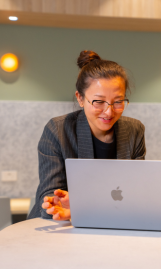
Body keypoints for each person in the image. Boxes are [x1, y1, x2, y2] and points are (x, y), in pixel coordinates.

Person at [28, 50, 146, 220]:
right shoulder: (57, 130)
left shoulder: (135, 130)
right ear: (80, 98)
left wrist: (83, 207)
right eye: (98, 102)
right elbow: (49, 196)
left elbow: (136, 191)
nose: (109, 111)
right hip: (61, 228)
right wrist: (62, 206)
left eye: (118, 102)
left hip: (114, 221)